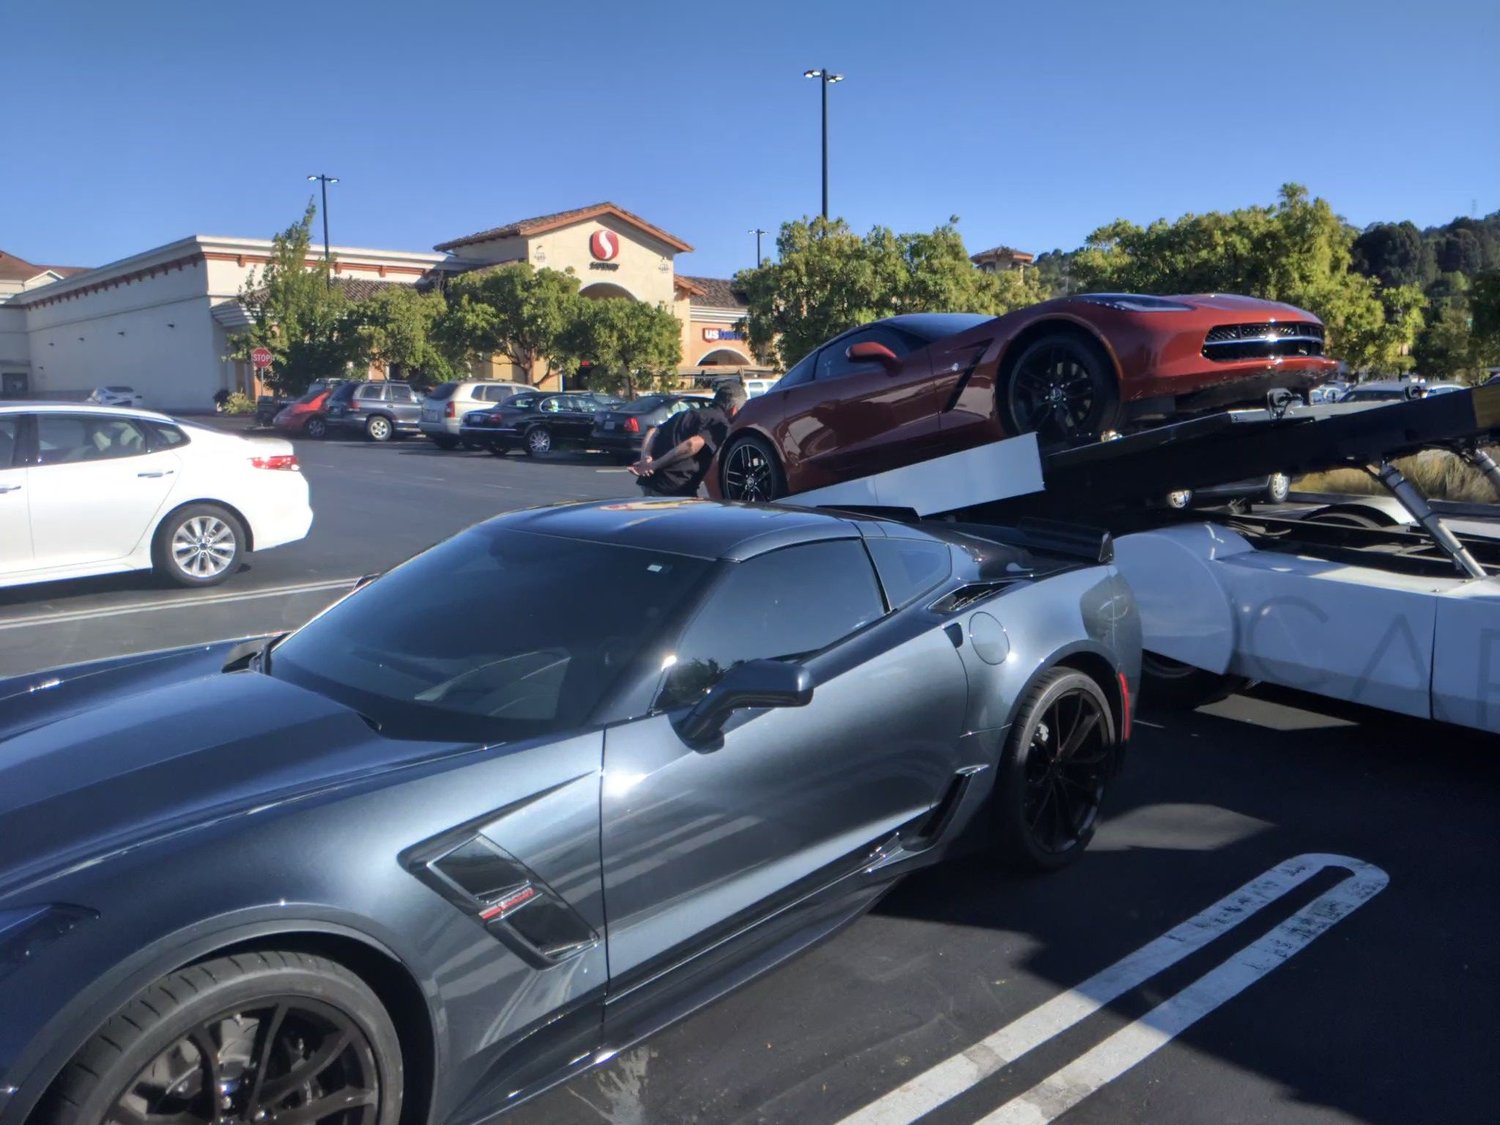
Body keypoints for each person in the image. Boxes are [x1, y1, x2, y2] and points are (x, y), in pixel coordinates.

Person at [629, 383, 746, 497]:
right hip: (674, 488)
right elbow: (692, 444)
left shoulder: (687, 414)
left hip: (650, 483)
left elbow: (653, 431)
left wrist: (645, 457)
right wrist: (655, 465)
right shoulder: (720, 423)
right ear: (734, 410)